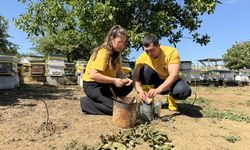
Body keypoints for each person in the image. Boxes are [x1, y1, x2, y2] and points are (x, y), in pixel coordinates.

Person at [80, 25, 133, 115]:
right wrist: (114, 80)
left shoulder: (117, 54)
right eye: (119, 41)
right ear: (111, 39)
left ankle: (105, 99)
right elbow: (93, 75)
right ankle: (86, 103)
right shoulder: (104, 52)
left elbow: (119, 72)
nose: (122, 45)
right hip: (92, 85)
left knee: (129, 86)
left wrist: (125, 79)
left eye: (124, 42)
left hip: (105, 84)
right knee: (116, 109)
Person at [134, 33, 191, 111]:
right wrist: (140, 91)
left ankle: (171, 98)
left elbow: (174, 75)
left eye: (152, 50)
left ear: (159, 45)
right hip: (156, 81)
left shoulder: (171, 52)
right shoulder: (141, 58)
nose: (149, 54)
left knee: (183, 91)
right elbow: (135, 78)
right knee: (146, 68)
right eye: (146, 51)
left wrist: (159, 89)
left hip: (172, 82)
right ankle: (149, 101)